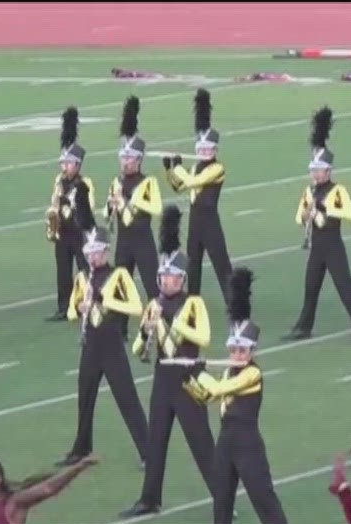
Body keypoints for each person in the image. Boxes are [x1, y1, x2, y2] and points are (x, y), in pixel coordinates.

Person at [191, 269, 300, 524]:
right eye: (234, 348)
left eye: (242, 349)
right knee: (222, 499)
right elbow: (212, 397)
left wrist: (201, 373)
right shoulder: (228, 370)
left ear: (252, 350)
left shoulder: (253, 373)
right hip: (225, 440)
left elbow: (221, 389)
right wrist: (192, 383)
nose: (236, 353)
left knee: (263, 496)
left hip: (248, 443)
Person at [124, 208, 216, 520]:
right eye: (162, 276)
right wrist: (144, 335)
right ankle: (150, 498)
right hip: (163, 378)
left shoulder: (193, 303)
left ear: (183, 278)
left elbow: (203, 336)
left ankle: (223, 497)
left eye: (171, 276)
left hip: (188, 377)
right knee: (156, 442)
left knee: (201, 443)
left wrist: (170, 324)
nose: (165, 280)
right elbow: (139, 349)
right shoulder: (153, 304)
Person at [62, 201, 148, 467]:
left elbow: (135, 307)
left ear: (107, 251)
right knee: (85, 395)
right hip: (91, 345)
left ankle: (148, 451)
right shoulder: (83, 278)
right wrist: (80, 305)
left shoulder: (119, 275)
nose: (92, 257)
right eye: (90, 252)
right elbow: (70, 313)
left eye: (97, 252)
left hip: (111, 346)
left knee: (127, 398)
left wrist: (102, 301)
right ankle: (82, 447)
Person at [290, 108, 351, 340]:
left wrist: (324, 210)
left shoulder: (337, 190)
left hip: (333, 245)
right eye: (313, 170)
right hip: (316, 246)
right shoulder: (308, 191)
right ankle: (304, 326)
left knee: (345, 286)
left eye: (320, 171)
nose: (316, 174)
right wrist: (307, 214)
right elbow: (298, 217)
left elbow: (350, 213)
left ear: (328, 170)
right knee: (310, 287)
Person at [164, 90, 232, 305]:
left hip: (210, 221)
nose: (203, 150)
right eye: (200, 147)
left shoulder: (217, 168)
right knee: (192, 266)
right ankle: (191, 305)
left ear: (214, 149)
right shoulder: (195, 167)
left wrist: (179, 167)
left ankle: (234, 305)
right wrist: (170, 170)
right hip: (195, 221)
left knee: (222, 265)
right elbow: (179, 187)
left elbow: (195, 182)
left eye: (207, 147)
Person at [109, 97, 162, 301]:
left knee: (152, 288)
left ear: (139, 160)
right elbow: (108, 216)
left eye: (130, 158)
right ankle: (118, 331)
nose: (125, 162)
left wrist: (127, 203)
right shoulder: (117, 182)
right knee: (120, 291)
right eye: (123, 157)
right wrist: (111, 206)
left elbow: (156, 208)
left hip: (142, 241)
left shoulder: (148, 182)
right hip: (123, 241)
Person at [46, 108, 95, 323]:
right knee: (63, 271)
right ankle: (63, 306)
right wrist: (54, 215)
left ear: (77, 164)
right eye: (63, 164)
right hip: (62, 232)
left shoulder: (84, 183)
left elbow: (89, 207)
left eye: (68, 163)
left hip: (79, 232)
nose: (64, 167)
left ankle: (92, 301)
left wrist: (70, 208)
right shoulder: (60, 181)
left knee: (86, 268)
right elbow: (55, 200)